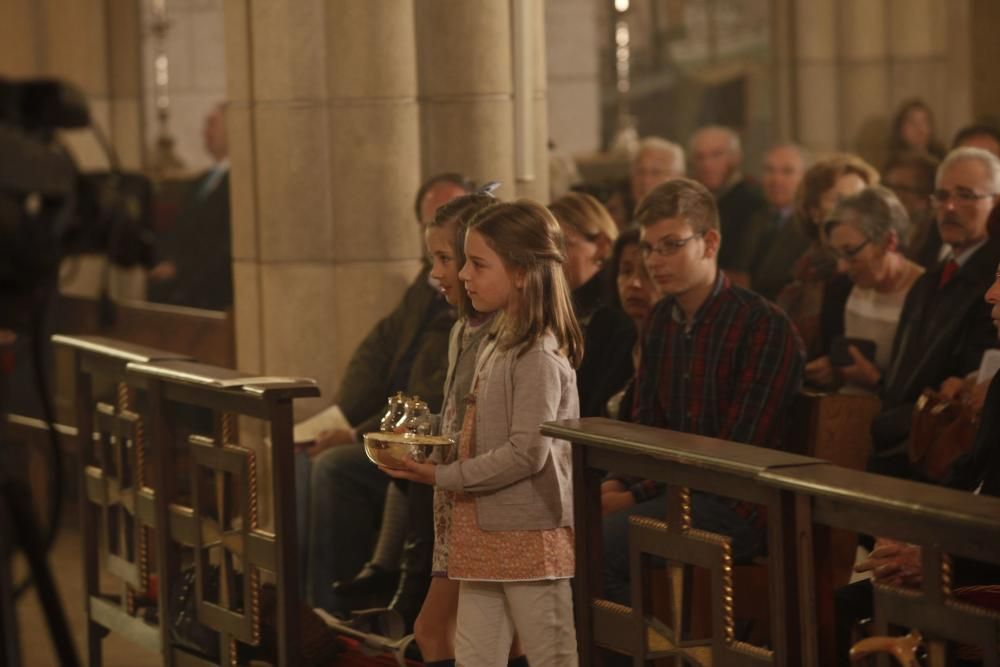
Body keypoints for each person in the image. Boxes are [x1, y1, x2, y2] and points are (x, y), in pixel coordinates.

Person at [383, 200, 582, 667]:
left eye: (477, 263)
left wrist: (444, 477)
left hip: (530, 530)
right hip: (482, 526)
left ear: (520, 272)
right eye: (465, 262)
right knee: (476, 654)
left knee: (552, 653)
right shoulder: (495, 341)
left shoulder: (537, 354)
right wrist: (421, 447)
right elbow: (474, 429)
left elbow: (525, 454)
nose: (463, 275)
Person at [601, 178, 805, 606]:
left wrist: (634, 495)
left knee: (602, 543)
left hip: (737, 504)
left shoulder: (762, 325)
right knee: (561, 520)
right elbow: (646, 423)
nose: (655, 261)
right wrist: (618, 481)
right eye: (649, 248)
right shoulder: (661, 319)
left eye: (671, 245)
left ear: (709, 243)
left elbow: (737, 452)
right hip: (669, 490)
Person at [305, 173, 471, 615]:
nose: (435, 269)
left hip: (439, 444)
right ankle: (312, 611)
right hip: (408, 430)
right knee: (301, 461)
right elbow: (376, 354)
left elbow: (430, 394)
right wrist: (340, 417)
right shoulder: (427, 289)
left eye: (444, 256)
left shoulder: (468, 314)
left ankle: (341, 612)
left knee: (334, 468)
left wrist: (360, 434)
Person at [834, 265, 1000, 665]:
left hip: (986, 569)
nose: (990, 295)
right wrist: (916, 536)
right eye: (993, 276)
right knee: (841, 605)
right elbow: (970, 473)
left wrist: (941, 557)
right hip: (972, 552)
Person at [869, 147, 1000, 479]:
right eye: (942, 196)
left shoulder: (991, 284)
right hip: (900, 441)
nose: (950, 207)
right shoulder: (928, 280)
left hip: (944, 451)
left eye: (966, 196)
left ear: (996, 203)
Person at [804, 187, 924, 393]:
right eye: (836, 253)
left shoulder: (927, 293)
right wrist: (832, 369)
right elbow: (834, 353)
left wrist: (877, 381)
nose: (842, 266)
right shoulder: (842, 286)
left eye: (850, 252)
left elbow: (925, 384)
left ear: (889, 242)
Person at [777, 154, 879, 358]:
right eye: (839, 199)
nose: (852, 209)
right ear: (814, 211)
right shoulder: (803, 272)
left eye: (860, 199)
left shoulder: (876, 269)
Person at [147, 102, 233, 310]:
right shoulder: (201, 181)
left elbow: (223, 241)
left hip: (213, 291)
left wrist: (180, 269)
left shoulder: (239, 182)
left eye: (212, 124)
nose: (204, 132)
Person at [575, 228, 662, 418]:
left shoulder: (675, 347)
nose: (634, 283)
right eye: (626, 271)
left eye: (647, 273)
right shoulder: (608, 333)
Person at [688, 125, 768, 275]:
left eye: (716, 155)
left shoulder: (755, 200)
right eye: (700, 157)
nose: (707, 164)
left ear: (735, 157)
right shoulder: (691, 201)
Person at [741, 143, 811, 298]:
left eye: (787, 172)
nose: (776, 179)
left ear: (804, 177)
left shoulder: (809, 226)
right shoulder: (757, 218)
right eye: (769, 170)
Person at [548, 191, 619, 330]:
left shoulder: (612, 309)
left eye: (563, 245)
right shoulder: (555, 304)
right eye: (547, 247)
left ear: (601, 245)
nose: (552, 257)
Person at [882, 151, 942, 270]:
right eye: (886, 186)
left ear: (927, 198)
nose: (889, 196)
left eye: (900, 189)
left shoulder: (938, 245)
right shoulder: (880, 236)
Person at [630, 136, 686, 211]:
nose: (646, 181)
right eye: (640, 172)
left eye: (656, 172)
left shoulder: (694, 221)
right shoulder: (616, 222)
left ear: (679, 179)